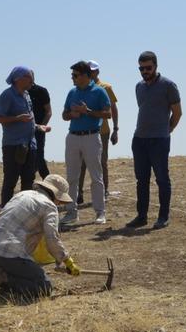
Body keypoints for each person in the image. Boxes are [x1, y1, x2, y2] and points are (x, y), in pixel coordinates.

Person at [0, 174, 79, 301]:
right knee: (44, 287)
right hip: (9, 254)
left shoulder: (22, 194)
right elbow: (52, 239)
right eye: (60, 200)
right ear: (56, 195)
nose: (59, 204)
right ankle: (2, 277)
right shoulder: (49, 206)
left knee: (24, 272)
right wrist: (67, 260)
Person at [126, 51, 182, 230]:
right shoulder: (139, 87)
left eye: (148, 68)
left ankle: (163, 216)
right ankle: (141, 216)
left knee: (162, 179)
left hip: (159, 140)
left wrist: (168, 130)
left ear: (156, 66)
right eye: (141, 68)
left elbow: (177, 112)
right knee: (141, 180)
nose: (145, 71)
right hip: (139, 140)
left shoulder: (168, 85)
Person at [61, 61, 111, 226]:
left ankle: (100, 212)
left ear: (84, 76)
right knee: (71, 177)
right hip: (73, 137)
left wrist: (87, 111)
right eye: (72, 75)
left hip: (91, 137)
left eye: (75, 75)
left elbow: (107, 114)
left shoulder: (99, 91)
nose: (72, 78)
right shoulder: (72, 92)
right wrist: (72, 114)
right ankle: (71, 212)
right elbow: (64, 115)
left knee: (96, 176)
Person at [0, 66, 39, 207]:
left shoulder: (27, 95)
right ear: (18, 79)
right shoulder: (7, 95)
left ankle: (24, 211)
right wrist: (17, 118)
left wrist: (38, 126)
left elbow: (29, 118)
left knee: (28, 180)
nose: (32, 80)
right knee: (11, 180)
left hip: (30, 144)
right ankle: (6, 213)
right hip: (13, 145)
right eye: (29, 77)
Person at [76, 61, 119, 205]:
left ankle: (104, 191)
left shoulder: (105, 87)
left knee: (102, 162)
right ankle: (78, 194)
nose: (91, 73)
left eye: (93, 71)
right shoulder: (79, 88)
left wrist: (116, 129)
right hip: (83, 131)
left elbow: (113, 109)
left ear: (97, 72)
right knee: (81, 163)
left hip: (102, 131)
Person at [28, 73, 52, 179]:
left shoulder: (41, 91)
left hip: (39, 130)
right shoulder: (21, 92)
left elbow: (48, 112)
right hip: (24, 130)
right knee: (27, 158)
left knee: (38, 157)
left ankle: (48, 181)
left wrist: (41, 127)